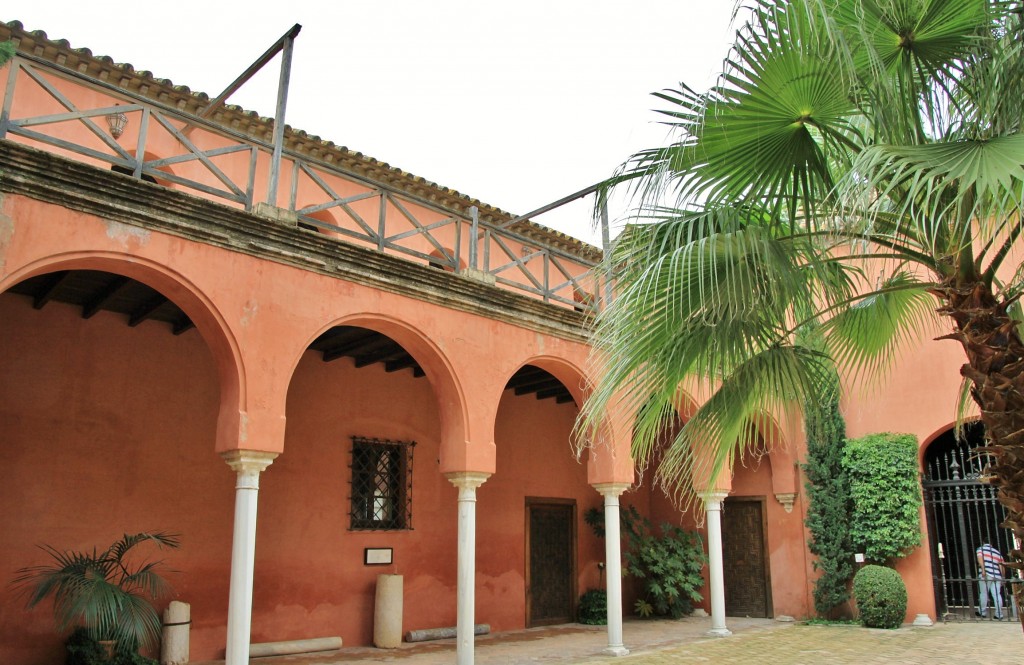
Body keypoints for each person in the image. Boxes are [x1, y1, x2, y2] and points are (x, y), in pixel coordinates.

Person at [976, 543, 1005, 619]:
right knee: (997, 594)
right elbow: (1001, 565)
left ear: (983, 542)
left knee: (984, 593)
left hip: (986, 574)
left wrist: (983, 570)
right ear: (991, 544)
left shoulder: (981, 549)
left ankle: (982, 612)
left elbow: (980, 559)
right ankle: (999, 614)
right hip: (997, 575)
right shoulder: (997, 552)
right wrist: (1002, 577)